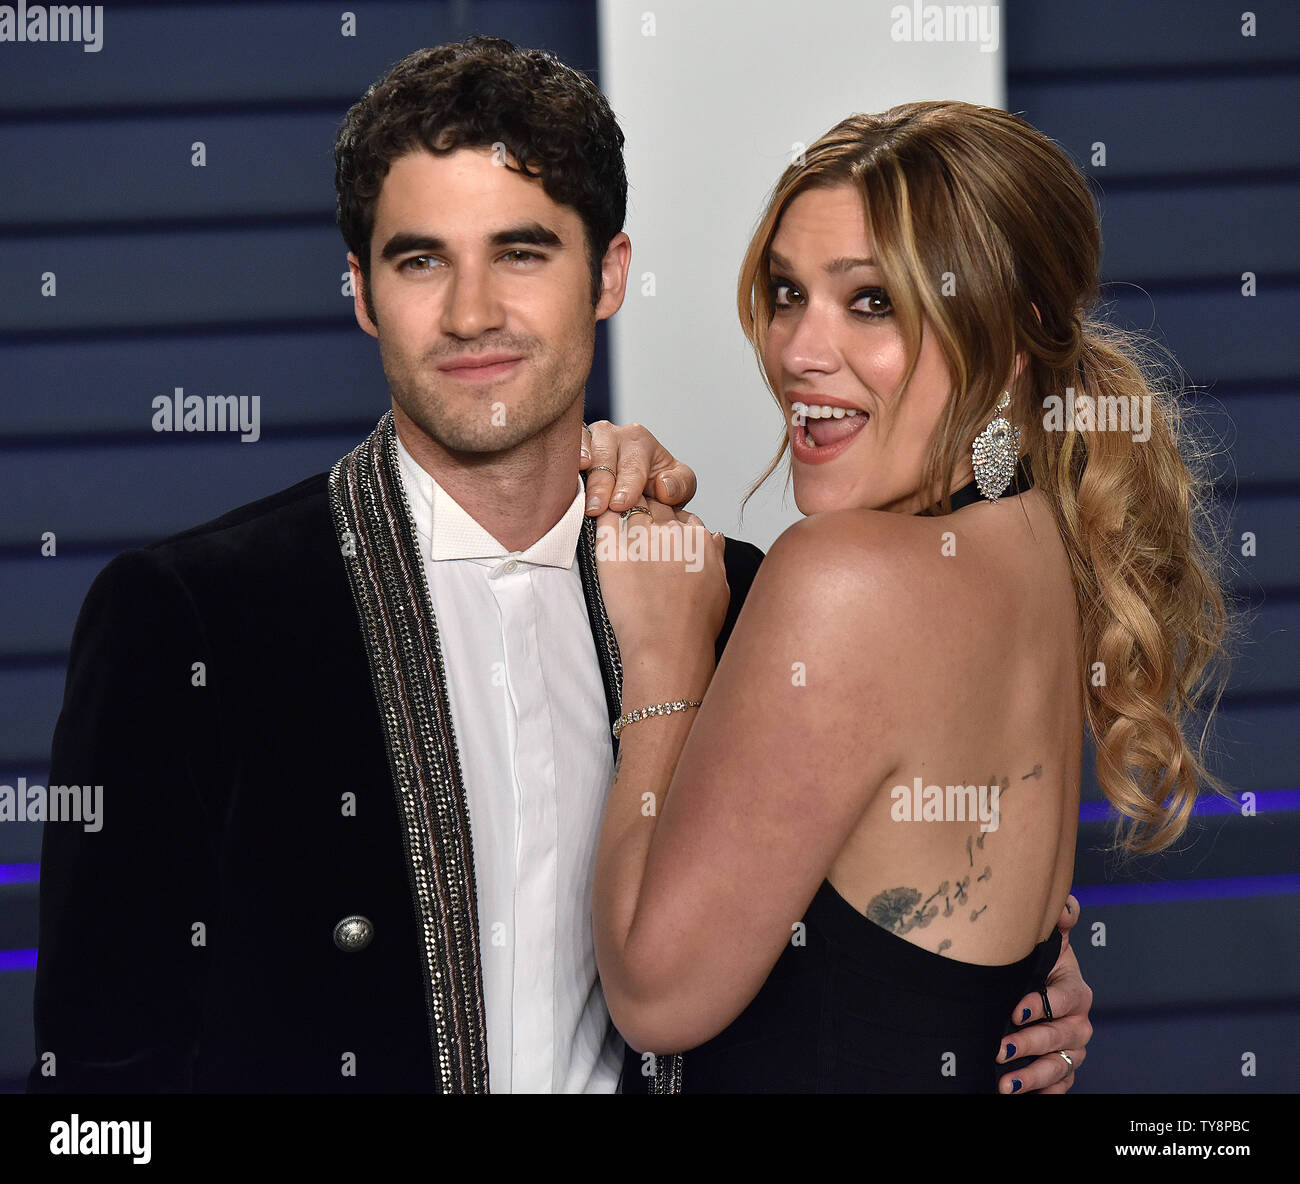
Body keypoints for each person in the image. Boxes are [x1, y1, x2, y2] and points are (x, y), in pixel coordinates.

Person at [28, 43, 1091, 1094]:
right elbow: (97, 1084)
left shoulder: (745, 602)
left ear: (610, 273)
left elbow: (885, 928)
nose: (473, 313)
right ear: (360, 290)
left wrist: (1007, 986)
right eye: (420, 259)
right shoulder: (197, 617)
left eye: (522, 252)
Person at [593, 100, 1228, 1093]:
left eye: (872, 302)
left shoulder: (844, 575)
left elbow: (655, 994)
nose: (799, 350)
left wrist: (664, 662)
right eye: (786, 291)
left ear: (1014, 331)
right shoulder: (1039, 542)